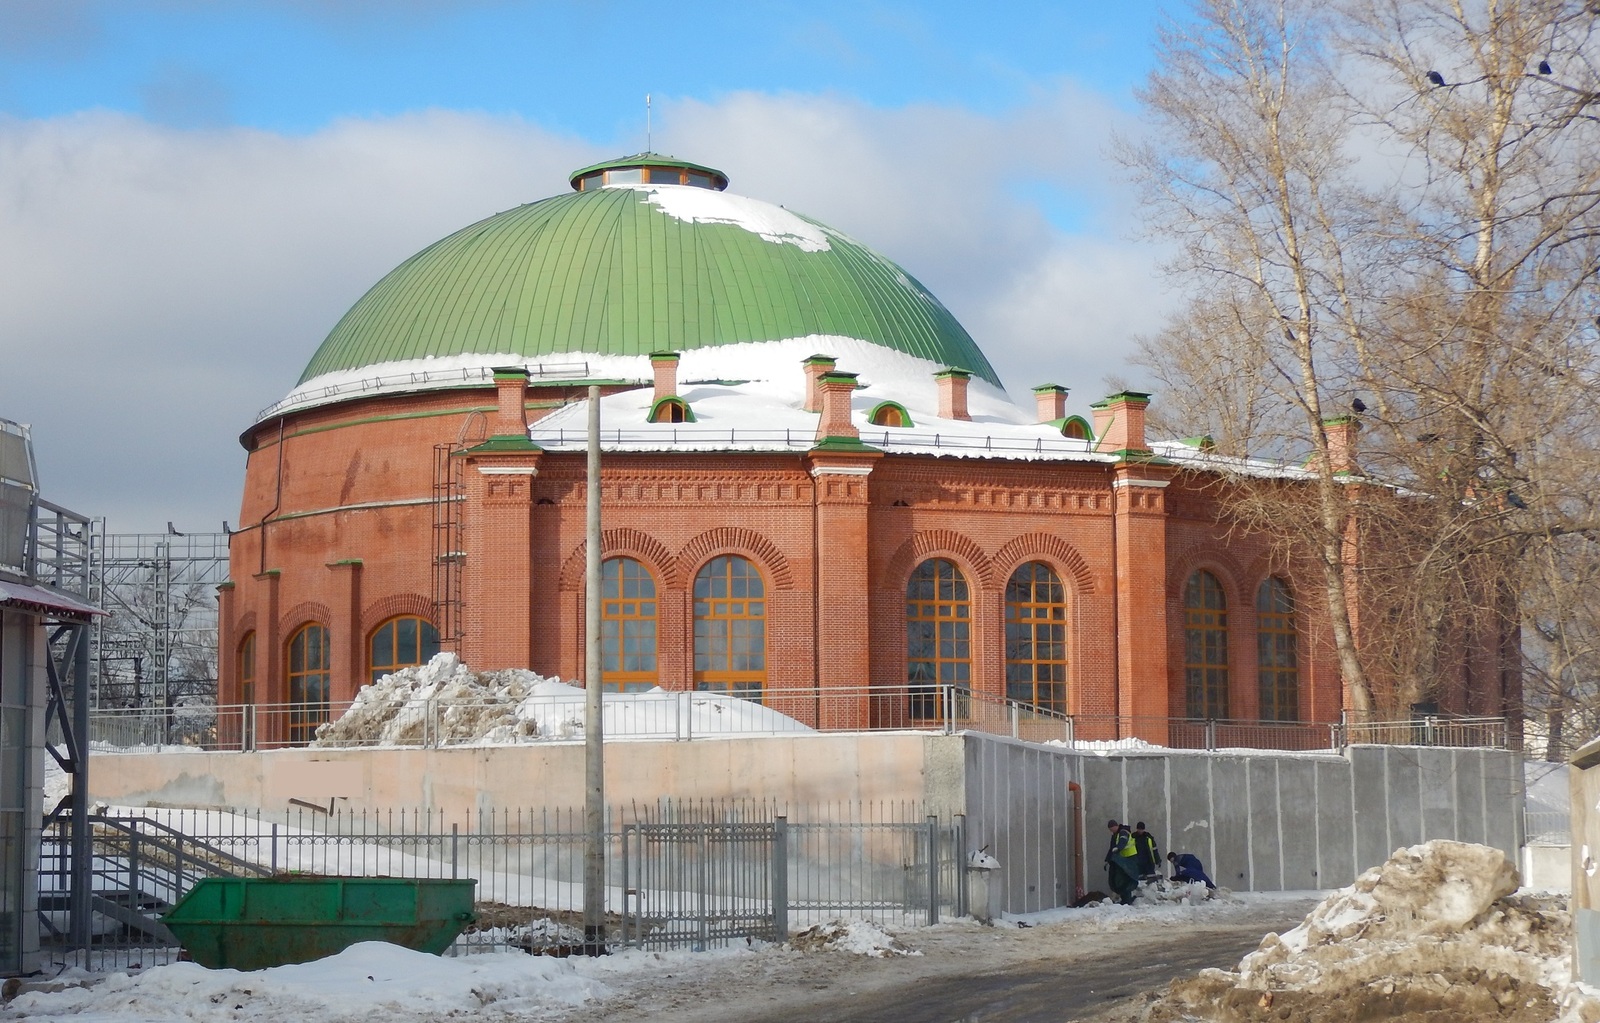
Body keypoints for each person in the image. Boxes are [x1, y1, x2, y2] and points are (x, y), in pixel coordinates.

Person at [1103, 820, 1140, 905]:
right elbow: (1111, 848)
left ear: (1116, 826)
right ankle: (1125, 898)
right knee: (1123, 880)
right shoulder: (1115, 835)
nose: (1111, 831)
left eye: (1112, 829)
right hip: (1123, 860)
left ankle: (1127, 899)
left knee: (1128, 879)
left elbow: (1123, 842)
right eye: (1110, 830)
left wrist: (1118, 848)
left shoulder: (1123, 832)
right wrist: (1107, 860)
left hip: (1130, 858)